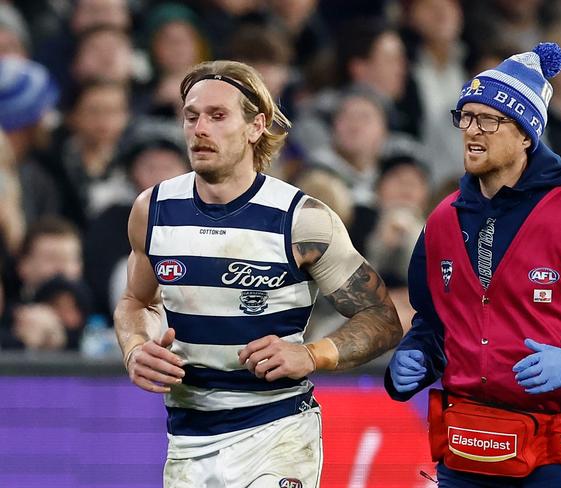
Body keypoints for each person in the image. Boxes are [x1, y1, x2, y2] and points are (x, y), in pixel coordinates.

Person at [114, 59, 403, 488]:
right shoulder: (152, 210)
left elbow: (382, 319)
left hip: (277, 431)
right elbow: (137, 302)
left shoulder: (302, 220)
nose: (200, 129)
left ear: (256, 126)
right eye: (191, 116)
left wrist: (311, 354)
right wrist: (135, 346)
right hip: (187, 437)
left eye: (217, 116)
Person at [385, 42, 561, 487]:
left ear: (526, 133)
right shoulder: (442, 221)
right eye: (466, 117)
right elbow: (434, 320)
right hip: (470, 458)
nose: (473, 130)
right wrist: (418, 354)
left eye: (490, 120)